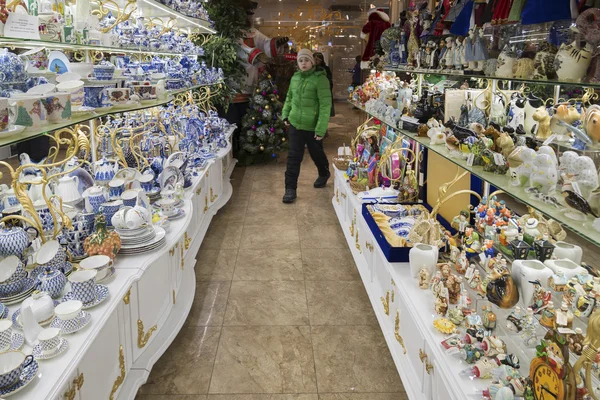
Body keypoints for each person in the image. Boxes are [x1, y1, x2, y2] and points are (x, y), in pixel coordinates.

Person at [281, 49, 332, 204]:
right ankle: (290, 189)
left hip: (312, 126)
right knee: (293, 157)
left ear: (312, 62)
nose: (303, 63)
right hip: (296, 124)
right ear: (298, 63)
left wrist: (321, 128)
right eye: (300, 60)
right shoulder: (295, 78)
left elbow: (325, 106)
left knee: (316, 153)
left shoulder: (320, 79)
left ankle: (324, 173)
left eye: (306, 60)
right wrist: (285, 114)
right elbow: (289, 98)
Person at [313, 52, 335, 116]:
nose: (316, 61)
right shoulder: (311, 69)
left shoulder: (325, 69)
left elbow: (329, 80)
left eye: (317, 60)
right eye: (315, 59)